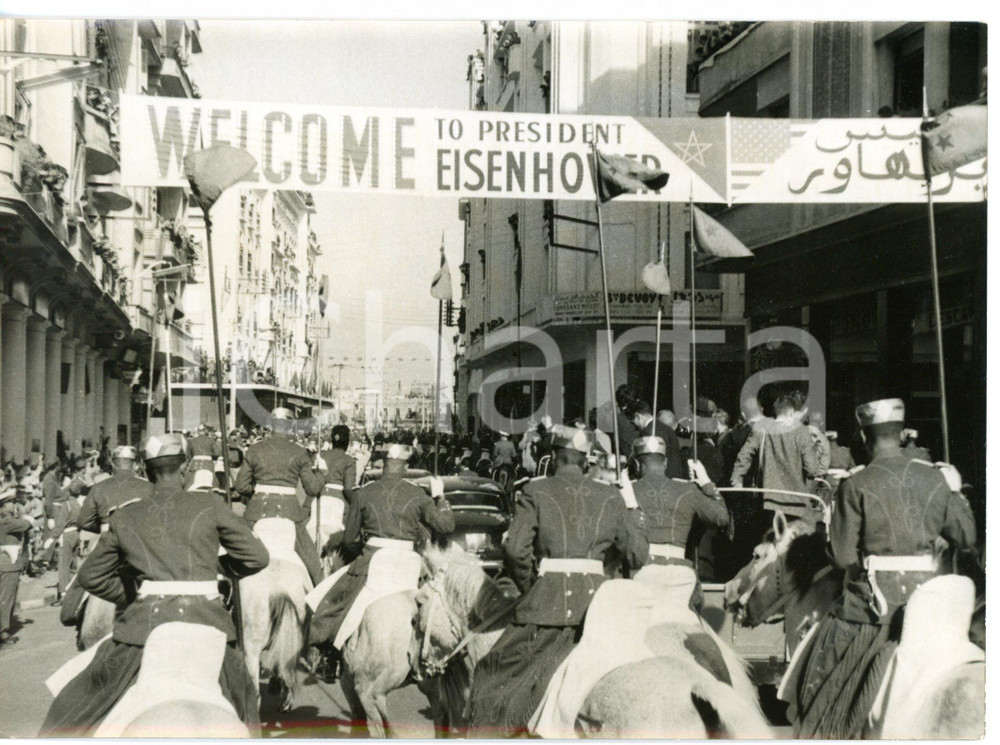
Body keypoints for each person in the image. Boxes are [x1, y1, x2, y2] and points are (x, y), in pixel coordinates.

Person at [40, 433, 270, 736]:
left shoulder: (125, 516)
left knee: (74, 706)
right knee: (246, 701)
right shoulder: (210, 505)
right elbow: (257, 557)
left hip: (144, 626)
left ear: (146, 471)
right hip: (210, 621)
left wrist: (134, 594)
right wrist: (216, 568)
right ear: (185, 468)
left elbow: (90, 576)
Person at [784, 398, 977, 738]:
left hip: (874, 609)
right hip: (931, 599)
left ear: (862, 436)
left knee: (821, 687)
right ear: (902, 435)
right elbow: (966, 536)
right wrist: (955, 491)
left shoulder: (855, 485)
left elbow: (842, 559)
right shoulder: (934, 480)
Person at [465, 425, 649, 736]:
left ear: (553, 458)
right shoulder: (610, 495)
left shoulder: (536, 490)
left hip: (548, 605)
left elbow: (515, 549)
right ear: (585, 461)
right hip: (600, 608)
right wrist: (633, 510)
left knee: (492, 677)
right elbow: (637, 555)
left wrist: (531, 587)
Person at [308, 443, 454, 652]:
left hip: (372, 560)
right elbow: (446, 525)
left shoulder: (364, 493)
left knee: (331, 602)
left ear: (384, 466)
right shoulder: (418, 494)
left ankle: (325, 652)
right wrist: (440, 497)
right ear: (404, 468)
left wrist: (359, 548)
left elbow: (349, 540)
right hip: (409, 564)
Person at [630, 436, 729, 609]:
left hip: (641, 573)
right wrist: (705, 481)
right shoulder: (687, 490)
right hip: (680, 575)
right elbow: (722, 517)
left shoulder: (628, 490)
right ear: (665, 463)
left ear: (638, 465)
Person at [234, 407, 325, 586]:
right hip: (290, 512)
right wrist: (322, 474)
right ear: (291, 426)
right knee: (312, 563)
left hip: (257, 511)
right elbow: (312, 488)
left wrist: (258, 491)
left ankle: (229, 595)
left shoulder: (254, 448)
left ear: (271, 426)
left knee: (235, 555)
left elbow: (241, 486)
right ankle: (318, 592)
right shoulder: (300, 452)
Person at [730, 394, 822, 524]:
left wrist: (737, 479)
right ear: (791, 412)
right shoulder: (801, 431)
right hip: (796, 503)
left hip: (769, 501)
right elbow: (812, 470)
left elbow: (745, 454)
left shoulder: (762, 427)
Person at [77, 446, 152, 534]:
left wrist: (104, 526)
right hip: (138, 541)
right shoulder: (148, 487)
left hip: (109, 541)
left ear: (112, 464)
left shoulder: (99, 488)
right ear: (135, 465)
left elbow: (84, 522)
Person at [315, 425, 357, 564]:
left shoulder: (321, 455)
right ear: (347, 442)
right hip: (338, 502)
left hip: (319, 499)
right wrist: (356, 503)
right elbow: (347, 489)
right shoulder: (349, 460)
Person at [1, 487, 36, 647]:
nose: (13, 504)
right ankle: (3, 633)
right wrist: (26, 512)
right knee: (6, 599)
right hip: (8, 564)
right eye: (10, 502)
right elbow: (26, 524)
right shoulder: (7, 520)